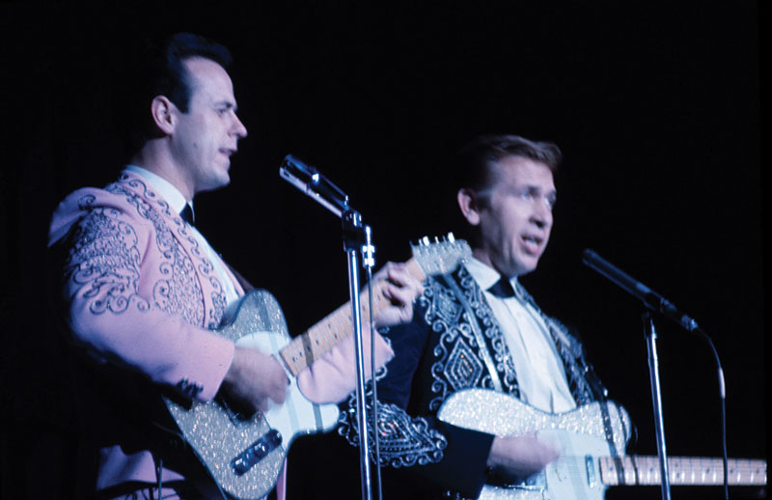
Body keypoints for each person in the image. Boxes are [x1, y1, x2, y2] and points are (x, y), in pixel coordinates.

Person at [48, 33, 421, 500]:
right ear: (165, 115)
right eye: (223, 109)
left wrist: (368, 315)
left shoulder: (209, 255)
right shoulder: (115, 211)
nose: (241, 127)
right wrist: (230, 364)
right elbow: (96, 308)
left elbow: (288, 386)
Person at [336, 134, 611, 499]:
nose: (543, 216)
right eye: (525, 195)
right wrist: (489, 452)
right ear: (471, 206)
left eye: (550, 200)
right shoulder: (421, 298)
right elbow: (363, 421)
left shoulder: (562, 336)